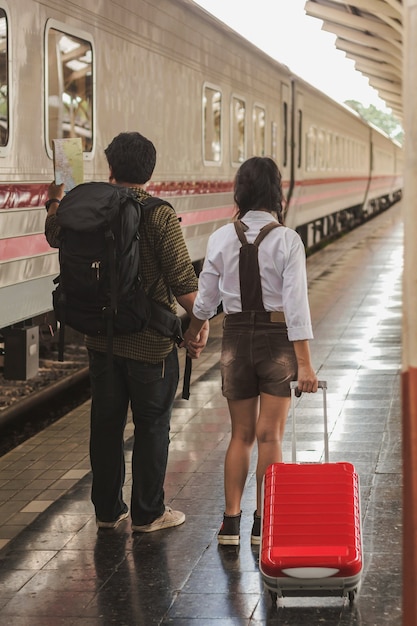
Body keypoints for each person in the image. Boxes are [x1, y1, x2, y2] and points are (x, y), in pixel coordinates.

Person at [45, 131, 208, 532]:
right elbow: (186, 288)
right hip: (150, 344)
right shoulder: (158, 214)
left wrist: (54, 198)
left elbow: (53, 233)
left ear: (111, 167)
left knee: (106, 423)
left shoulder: (83, 206)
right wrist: (199, 328)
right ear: (149, 172)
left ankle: (107, 511)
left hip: (101, 338)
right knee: (152, 426)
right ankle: (148, 514)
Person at [183, 156, 318, 546]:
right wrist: (305, 365)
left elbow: (205, 302)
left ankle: (230, 523)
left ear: (239, 190)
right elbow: (296, 307)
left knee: (240, 434)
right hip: (277, 341)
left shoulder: (221, 237)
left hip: (236, 340)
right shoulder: (288, 240)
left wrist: (194, 334)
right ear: (276, 192)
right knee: (270, 436)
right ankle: (264, 523)